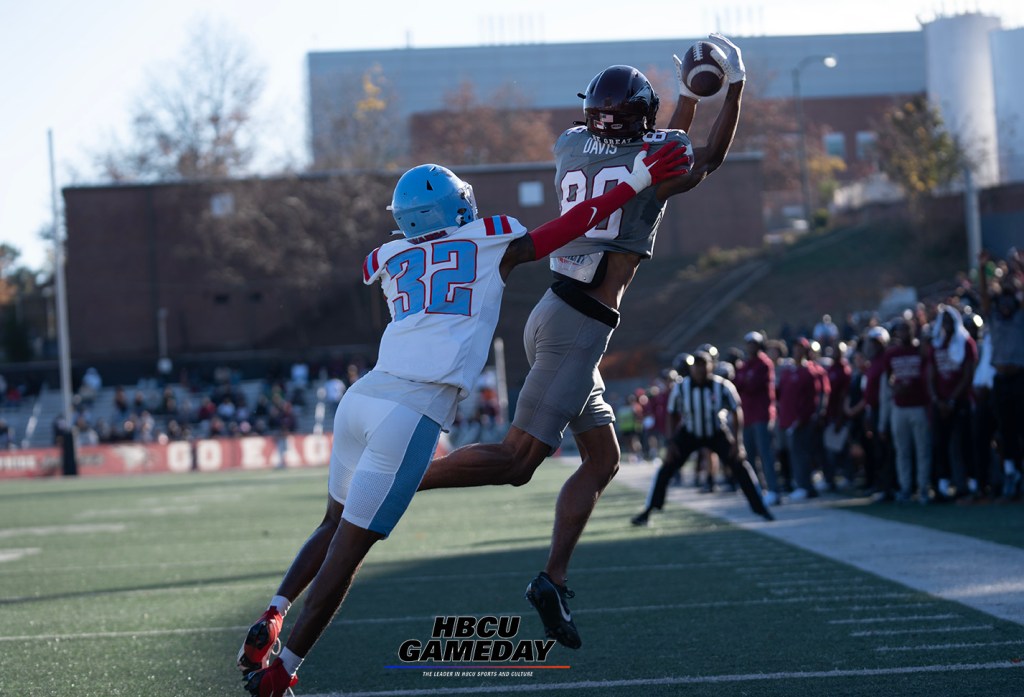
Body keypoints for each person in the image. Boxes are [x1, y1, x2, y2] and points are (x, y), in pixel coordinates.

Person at [236, 147, 691, 695]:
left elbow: (393, 266)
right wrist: (638, 177)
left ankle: (274, 612)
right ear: (457, 209)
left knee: (332, 523)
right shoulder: (489, 238)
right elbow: (572, 224)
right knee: (348, 554)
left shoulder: (384, 257)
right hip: (411, 412)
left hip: (362, 399)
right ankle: (282, 672)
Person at [416, 34, 746, 650]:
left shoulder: (571, 147)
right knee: (518, 463)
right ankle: (406, 476)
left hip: (555, 313)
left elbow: (652, 144)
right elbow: (705, 157)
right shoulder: (654, 167)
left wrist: (681, 99)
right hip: (577, 326)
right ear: (641, 121)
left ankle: (552, 580)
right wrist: (731, 90)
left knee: (603, 460)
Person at [629, 350, 773, 526]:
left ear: (711, 366)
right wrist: (671, 442)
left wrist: (738, 442)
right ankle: (649, 510)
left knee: (740, 465)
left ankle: (761, 508)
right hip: (690, 432)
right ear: (692, 368)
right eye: (697, 366)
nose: (700, 369)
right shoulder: (681, 387)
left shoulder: (723, 386)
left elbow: (737, 412)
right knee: (666, 469)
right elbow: (672, 414)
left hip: (716, 431)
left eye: (703, 365)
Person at [977, 250, 1024, 500]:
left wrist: (1020, 269)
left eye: (1009, 301)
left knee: (1021, 428)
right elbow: (984, 297)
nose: (1005, 306)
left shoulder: (1020, 316)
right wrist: (983, 269)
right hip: (1001, 379)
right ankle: (1010, 472)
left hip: (1020, 378)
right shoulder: (993, 316)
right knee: (1005, 430)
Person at [927, 304, 977, 499]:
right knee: (941, 443)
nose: (946, 325)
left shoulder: (966, 343)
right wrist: (937, 400)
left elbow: (967, 375)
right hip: (940, 403)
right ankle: (943, 484)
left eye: (950, 321)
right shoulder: (936, 345)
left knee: (964, 442)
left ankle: (971, 482)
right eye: (943, 321)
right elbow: (931, 375)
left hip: (960, 401)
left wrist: (951, 399)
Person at [733, 331, 779, 504]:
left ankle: (773, 490)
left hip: (762, 415)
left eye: (754, 343)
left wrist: (744, 382)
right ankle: (758, 490)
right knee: (749, 456)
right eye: (749, 344)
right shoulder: (745, 365)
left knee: (766, 454)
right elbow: (737, 385)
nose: (750, 347)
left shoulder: (764, 364)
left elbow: (751, 386)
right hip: (747, 416)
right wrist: (743, 382)